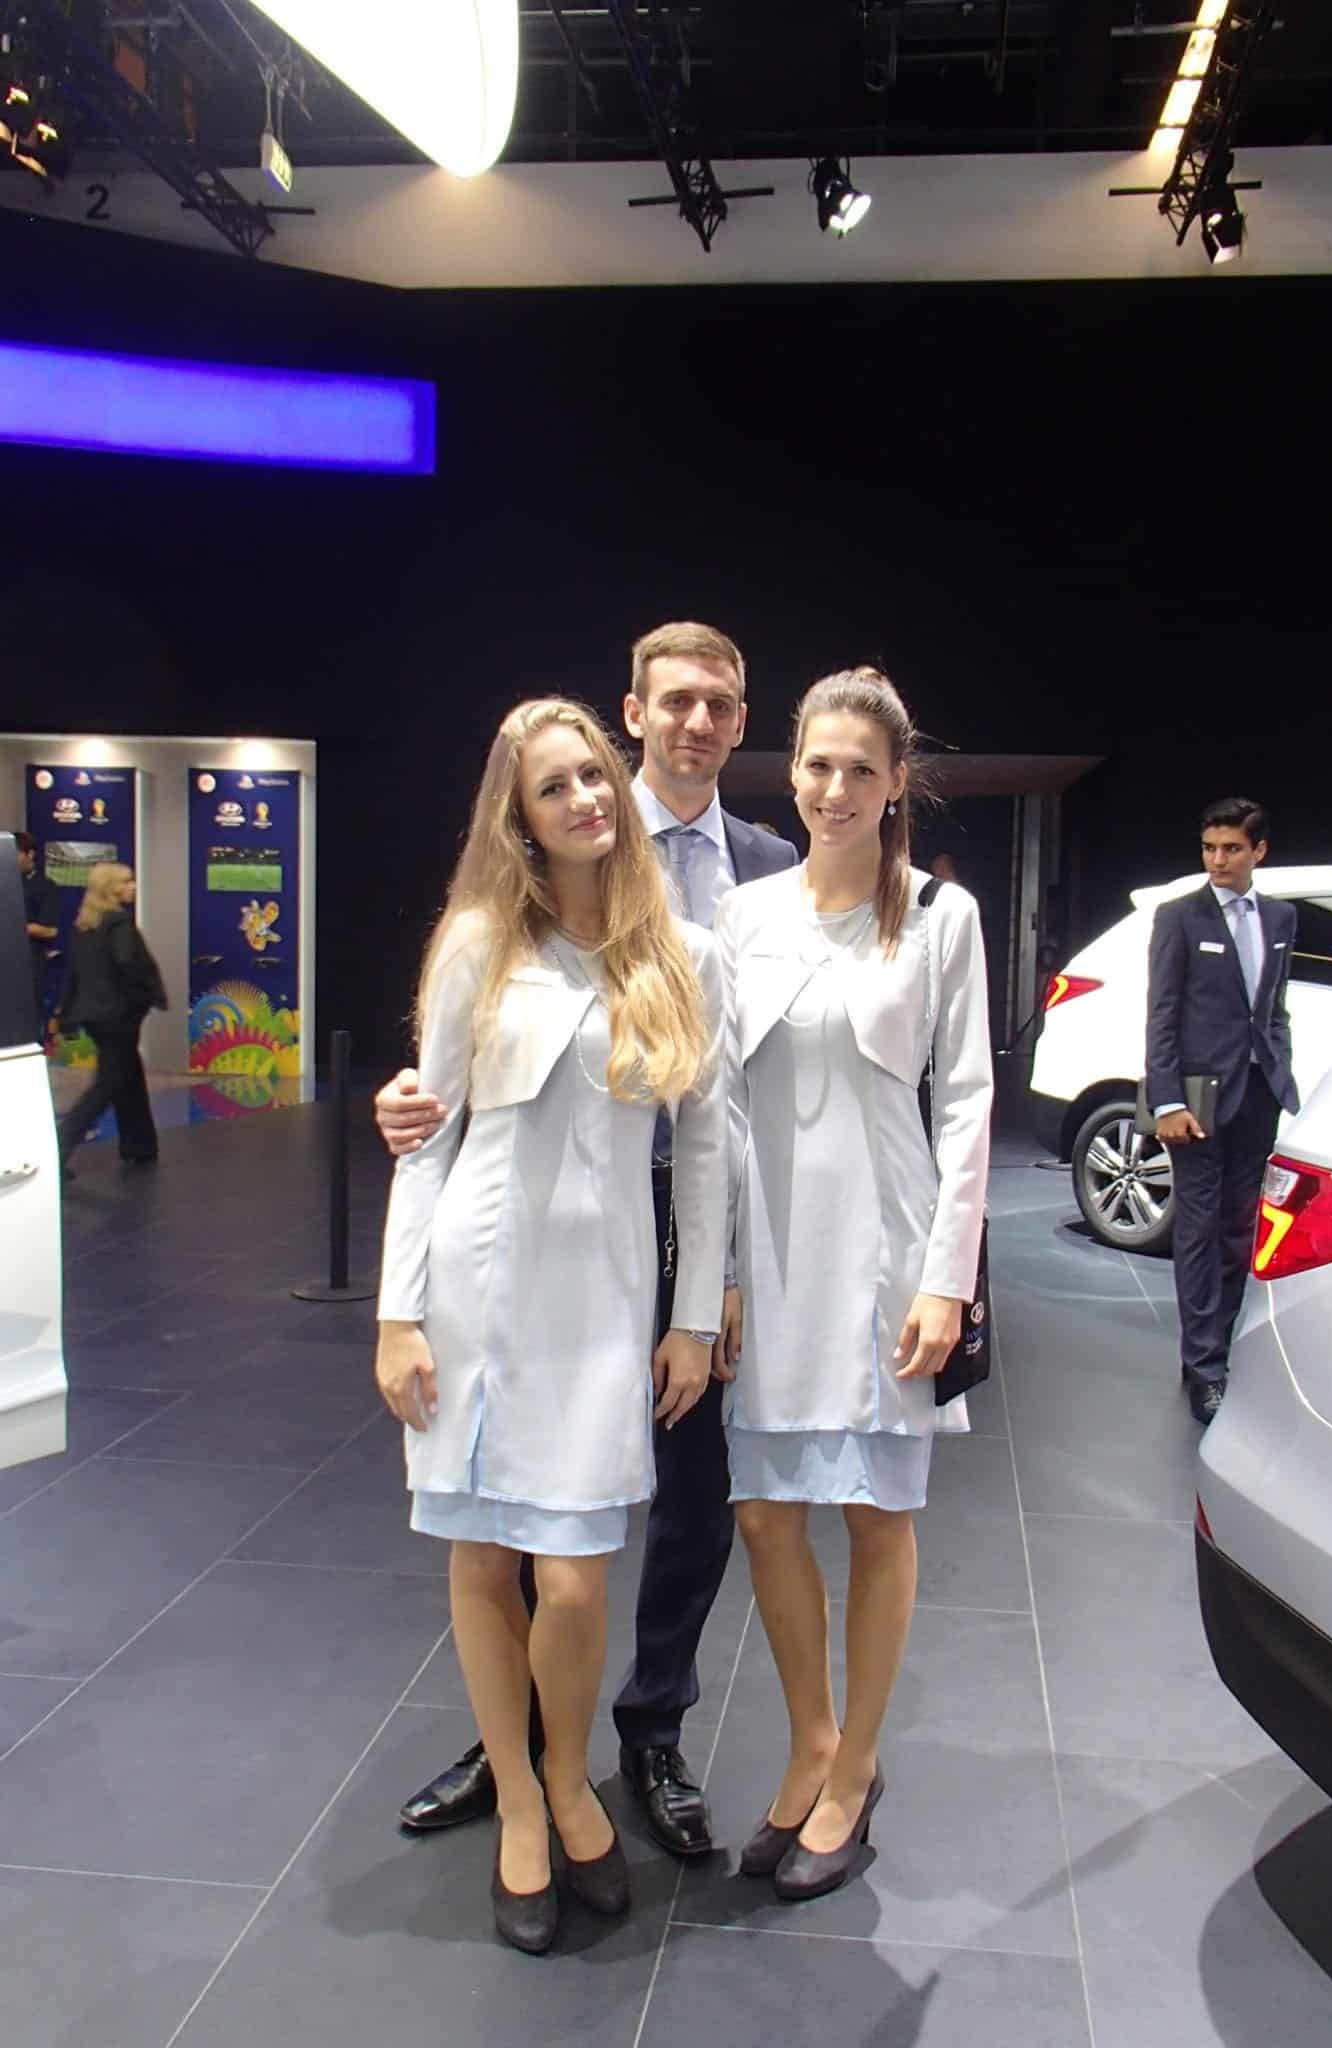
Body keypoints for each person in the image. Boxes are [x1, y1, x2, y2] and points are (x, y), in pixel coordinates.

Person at [375, 622, 795, 1856]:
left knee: (642, 1530)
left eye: (720, 702)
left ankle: (638, 1737)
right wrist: (397, 1307)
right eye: (552, 785)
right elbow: (432, 1129)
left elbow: (721, 1130)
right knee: (494, 1546)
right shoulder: (480, 940)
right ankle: (520, 1766)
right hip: (489, 1269)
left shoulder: (735, 905)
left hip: (639, 1263)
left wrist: (704, 1298)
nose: (581, 797)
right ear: (637, 714)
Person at [715, 666, 992, 1901]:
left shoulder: (939, 914)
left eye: (861, 770)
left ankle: (859, 1762)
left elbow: (969, 1103)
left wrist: (948, 1278)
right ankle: (811, 1739)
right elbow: (716, 1105)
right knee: (765, 1511)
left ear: (895, 784)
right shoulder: (742, 914)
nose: (835, 788)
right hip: (770, 1248)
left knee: (877, 1513)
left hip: (887, 1247)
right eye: (818, 765)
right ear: (792, 769)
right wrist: (717, 1276)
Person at [1146, 797, 1298, 1426]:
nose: (1217, 859)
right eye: (1210, 848)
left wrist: (1281, 1068)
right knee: (1199, 1232)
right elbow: (1161, 1014)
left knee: (1240, 1230)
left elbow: (1274, 1006)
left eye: (1231, 848)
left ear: (1258, 851)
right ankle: (1203, 1368)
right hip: (1198, 1098)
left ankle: (1223, 1353)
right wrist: (1166, 1099)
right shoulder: (1180, 917)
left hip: (1257, 1094)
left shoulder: (1282, 917)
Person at [55, 864, 166, 1171]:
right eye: (126, 881)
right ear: (111, 888)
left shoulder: (85, 926)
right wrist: (145, 998)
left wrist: (66, 1015)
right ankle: (58, 1150)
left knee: (129, 1074)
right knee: (106, 1085)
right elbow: (130, 965)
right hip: (118, 1015)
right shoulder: (118, 924)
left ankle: (139, 1146)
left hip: (95, 1016)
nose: (133, 886)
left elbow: (75, 975)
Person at [15, 831, 59, 1042]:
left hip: (30, 963)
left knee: (28, 1018)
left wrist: (15, 928)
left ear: (29, 854)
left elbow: (50, 930)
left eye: (15, 855)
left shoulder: (45, 886)